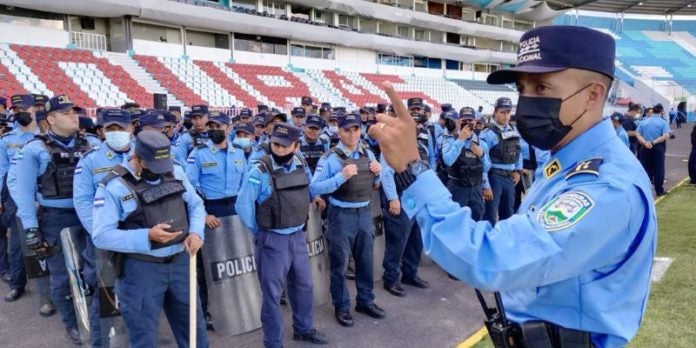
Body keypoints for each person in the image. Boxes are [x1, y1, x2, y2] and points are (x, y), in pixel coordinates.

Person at [369, 26, 656, 347]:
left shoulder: (606, 186)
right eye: (523, 88)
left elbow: (489, 260)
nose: (527, 102)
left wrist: (412, 167)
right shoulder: (566, 160)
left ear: (593, 94)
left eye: (542, 87)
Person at [92, 130, 208, 347]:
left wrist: (196, 232)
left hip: (181, 262)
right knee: (143, 335)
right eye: (154, 166)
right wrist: (146, 236)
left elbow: (195, 204)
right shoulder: (113, 186)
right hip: (142, 269)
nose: (160, 172)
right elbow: (101, 236)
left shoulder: (175, 172)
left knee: (194, 330)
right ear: (137, 158)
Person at [9, 95, 94, 344]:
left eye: (74, 112)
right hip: (56, 218)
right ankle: (72, 323)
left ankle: (93, 315)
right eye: (66, 113)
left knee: (93, 269)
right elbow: (22, 191)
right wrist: (31, 229)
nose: (73, 116)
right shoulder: (35, 149)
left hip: (87, 214)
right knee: (62, 274)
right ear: (51, 119)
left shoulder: (89, 144)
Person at [235, 123, 328, 348]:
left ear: (296, 146)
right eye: (276, 144)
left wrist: (316, 196)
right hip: (272, 239)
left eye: (285, 146)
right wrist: (260, 233)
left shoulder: (301, 163)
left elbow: (309, 186)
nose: (279, 149)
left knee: (303, 286)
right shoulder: (259, 170)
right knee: (272, 296)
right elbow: (243, 205)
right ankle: (273, 342)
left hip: (297, 235)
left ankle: (303, 329)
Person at [310, 113, 384, 327]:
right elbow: (315, 187)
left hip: (364, 213)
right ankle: (341, 306)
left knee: (365, 262)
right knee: (340, 265)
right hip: (341, 217)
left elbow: (374, 183)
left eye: (355, 129)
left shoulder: (368, 152)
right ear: (339, 132)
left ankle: (365, 301)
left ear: (360, 130)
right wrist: (341, 176)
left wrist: (377, 174)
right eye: (346, 130)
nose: (352, 134)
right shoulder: (330, 157)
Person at [73, 108, 133, 347]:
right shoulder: (90, 160)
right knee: (105, 298)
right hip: (104, 239)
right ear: (101, 131)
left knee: (138, 293)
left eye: (121, 128)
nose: (117, 133)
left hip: (137, 235)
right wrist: (100, 235)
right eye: (111, 129)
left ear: (131, 129)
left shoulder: (143, 154)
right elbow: (83, 200)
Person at [185, 112, 248, 329]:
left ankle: (240, 304)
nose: (213, 129)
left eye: (218, 125)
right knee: (208, 265)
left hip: (236, 209)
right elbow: (190, 188)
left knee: (238, 258)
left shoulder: (239, 152)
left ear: (229, 128)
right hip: (211, 209)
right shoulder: (198, 154)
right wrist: (202, 214)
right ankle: (204, 312)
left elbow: (246, 183)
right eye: (210, 125)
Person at [0, 95, 54, 317]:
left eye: (25, 108)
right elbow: (2, 171)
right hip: (17, 197)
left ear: (36, 109)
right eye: (16, 108)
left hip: (45, 196)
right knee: (18, 246)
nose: (21, 112)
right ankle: (18, 284)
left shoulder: (46, 137)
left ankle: (48, 294)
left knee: (47, 245)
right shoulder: (6, 140)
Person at [480, 97, 523, 225]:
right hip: (494, 176)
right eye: (502, 112)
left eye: (508, 112)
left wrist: (517, 170)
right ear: (495, 112)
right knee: (490, 214)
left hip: (510, 178)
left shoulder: (513, 131)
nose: (506, 116)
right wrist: (485, 185)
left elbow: (518, 151)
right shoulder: (488, 133)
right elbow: (482, 160)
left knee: (508, 214)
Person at [441, 108, 489, 221]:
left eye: (470, 121)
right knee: (455, 221)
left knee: (476, 220)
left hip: (476, 188)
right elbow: (448, 160)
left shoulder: (481, 142)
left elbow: (487, 168)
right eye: (465, 120)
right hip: (457, 187)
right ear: (458, 122)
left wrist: (481, 154)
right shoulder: (450, 139)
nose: (468, 124)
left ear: (475, 122)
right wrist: (460, 140)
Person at [635, 104, 671, 196]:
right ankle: (659, 190)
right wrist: (653, 142)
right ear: (661, 111)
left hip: (645, 146)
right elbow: (666, 136)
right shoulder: (663, 122)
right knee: (659, 168)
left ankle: (645, 190)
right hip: (657, 146)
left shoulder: (644, 121)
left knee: (645, 168)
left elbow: (637, 134)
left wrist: (644, 143)